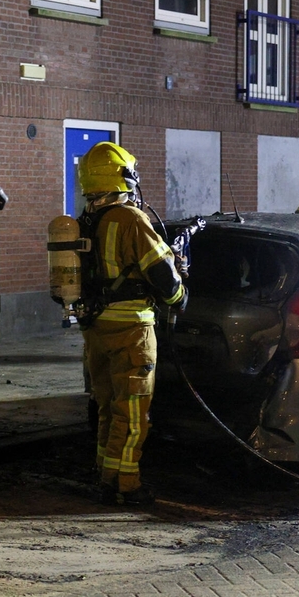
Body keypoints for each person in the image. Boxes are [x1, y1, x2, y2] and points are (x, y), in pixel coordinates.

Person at [76, 141, 186, 505]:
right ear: (122, 177)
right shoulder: (131, 219)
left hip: (96, 329)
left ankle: (105, 474)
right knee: (133, 412)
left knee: (107, 407)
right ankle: (127, 485)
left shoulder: (84, 221)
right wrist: (180, 298)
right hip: (132, 330)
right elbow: (162, 275)